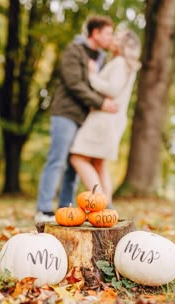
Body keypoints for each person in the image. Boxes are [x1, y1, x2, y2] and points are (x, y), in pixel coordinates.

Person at [35, 15, 118, 222]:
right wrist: (100, 103)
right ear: (95, 33)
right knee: (57, 160)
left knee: (74, 165)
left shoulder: (102, 59)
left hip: (85, 119)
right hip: (66, 113)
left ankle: (66, 210)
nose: (111, 37)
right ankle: (44, 209)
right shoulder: (75, 50)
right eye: (108, 33)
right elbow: (74, 84)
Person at [70, 29, 141, 206]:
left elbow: (112, 89)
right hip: (114, 120)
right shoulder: (127, 65)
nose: (113, 39)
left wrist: (92, 74)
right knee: (99, 164)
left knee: (77, 158)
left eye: (117, 37)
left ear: (124, 45)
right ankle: (107, 209)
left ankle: (99, 202)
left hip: (103, 119)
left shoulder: (119, 62)